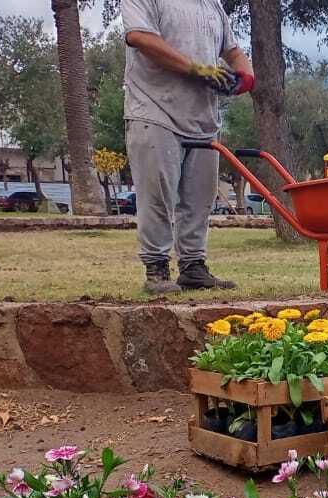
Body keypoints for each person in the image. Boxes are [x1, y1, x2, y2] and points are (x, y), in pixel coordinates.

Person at [122, 0, 255, 295]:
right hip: (154, 108)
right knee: (157, 193)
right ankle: (156, 267)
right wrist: (196, 69)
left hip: (202, 117)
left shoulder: (211, 5)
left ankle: (193, 265)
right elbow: (141, 38)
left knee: (200, 197)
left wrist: (245, 76)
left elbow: (232, 51)